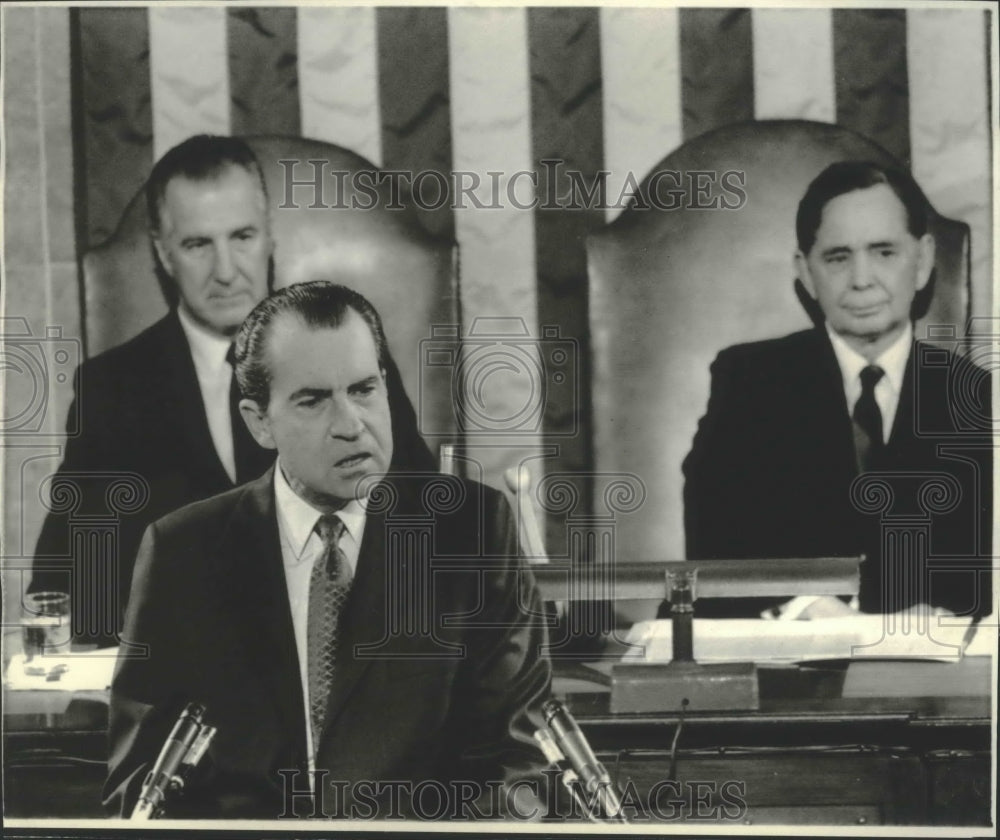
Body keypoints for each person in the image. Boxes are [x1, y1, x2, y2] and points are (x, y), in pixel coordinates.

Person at [103, 281, 551, 820]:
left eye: (363, 389)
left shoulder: (473, 534)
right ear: (259, 421)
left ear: (386, 386)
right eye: (313, 400)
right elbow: (140, 787)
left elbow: (515, 764)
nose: (349, 425)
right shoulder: (183, 551)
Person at [30, 136, 434, 646]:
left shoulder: (350, 354)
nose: (225, 272)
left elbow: (422, 523)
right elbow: (64, 582)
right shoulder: (113, 390)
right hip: (186, 676)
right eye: (198, 244)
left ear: (269, 238)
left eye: (241, 236)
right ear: (163, 253)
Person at [683, 161, 992, 619]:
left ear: (923, 261)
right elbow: (713, 552)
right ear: (806, 272)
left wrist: (940, 615)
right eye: (838, 257)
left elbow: (984, 570)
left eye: (884, 252)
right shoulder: (748, 383)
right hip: (793, 671)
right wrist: (802, 604)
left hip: (934, 677)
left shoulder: (978, 398)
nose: (862, 279)